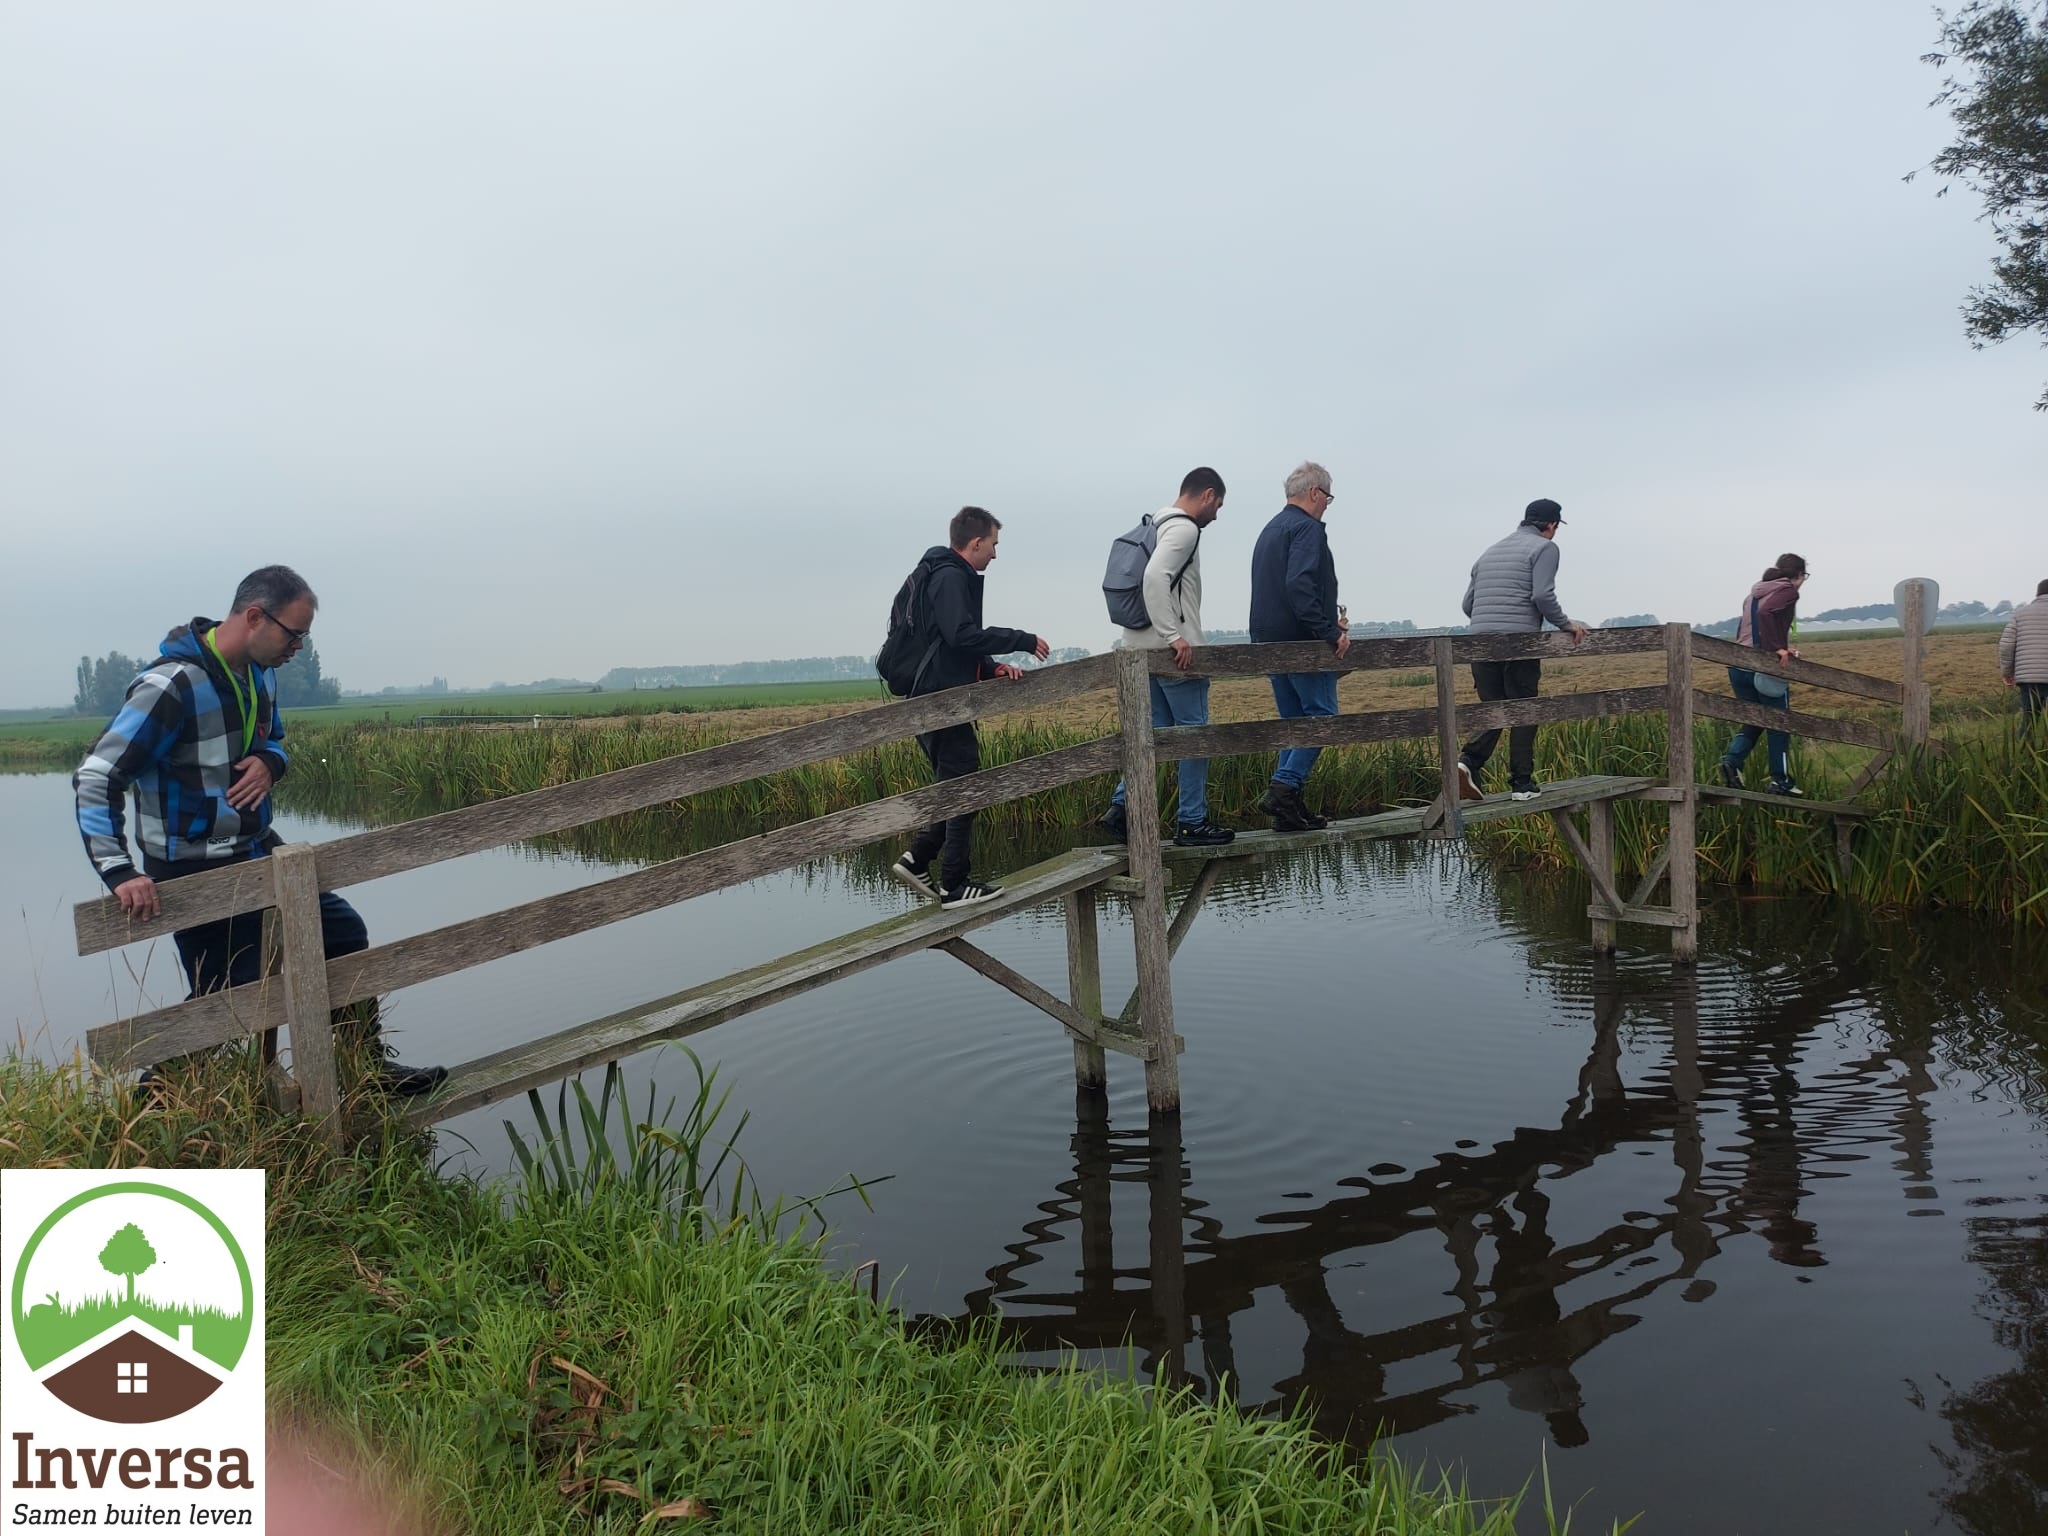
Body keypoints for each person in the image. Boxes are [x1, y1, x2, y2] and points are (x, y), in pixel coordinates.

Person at [73, 566, 445, 1094]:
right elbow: (97, 777)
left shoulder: (259, 673)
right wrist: (118, 871)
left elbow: (275, 738)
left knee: (342, 935)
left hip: (252, 849)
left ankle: (364, 1073)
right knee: (227, 988)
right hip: (189, 865)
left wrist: (273, 761)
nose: (299, 646)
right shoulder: (170, 688)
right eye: (294, 633)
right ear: (253, 616)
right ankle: (155, 1102)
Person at [887, 508, 1049, 907]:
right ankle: (954, 884)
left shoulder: (940, 574)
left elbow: (946, 641)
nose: (995, 554)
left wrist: (991, 667)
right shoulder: (950, 576)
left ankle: (919, 857)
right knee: (966, 780)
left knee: (956, 782)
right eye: (994, 544)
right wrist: (1021, 639)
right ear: (975, 542)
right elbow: (960, 635)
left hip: (933, 695)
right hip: (940, 699)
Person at [1098, 468, 1234, 848]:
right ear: (1207, 495)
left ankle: (1122, 807)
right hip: (1174, 654)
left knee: (1152, 735)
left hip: (1140, 650)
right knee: (1195, 735)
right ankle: (1192, 821)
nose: (1217, 515)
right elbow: (1155, 577)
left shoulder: (1153, 523)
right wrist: (1174, 635)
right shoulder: (1185, 529)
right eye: (1218, 505)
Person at [1456, 498, 1587, 802]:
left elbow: (1467, 605)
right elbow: (1542, 594)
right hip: (1518, 643)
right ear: (1552, 525)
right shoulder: (1545, 548)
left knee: (1495, 709)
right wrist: (1566, 624)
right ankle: (1522, 783)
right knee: (1525, 709)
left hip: (1480, 643)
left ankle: (1468, 762)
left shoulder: (1490, 551)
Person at [1248, 461, 1350, 831]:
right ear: (1314, 493)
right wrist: (1328, 630)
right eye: (1328, 497)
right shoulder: (1307, 528)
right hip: (1300, 640)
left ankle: (1288, 808)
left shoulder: (1271, 528)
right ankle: (1283, 789)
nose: (1327, 505)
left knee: (1294, 725)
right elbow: (1299, 584)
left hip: (1268, 637)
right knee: (1322, 716)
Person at [1716, 553, 1809, 796]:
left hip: (1738, 665)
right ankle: (1781, 781)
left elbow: (1749, 627)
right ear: (1799, 575)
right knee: (1779, 723)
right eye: (1804, 576)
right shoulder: (1789, 590)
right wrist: (1775, 648)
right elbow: (1766, 614)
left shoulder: (1753, 593)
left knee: (1756, 719)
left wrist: (1779, 643)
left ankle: (1732, 762)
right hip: (1761, 666)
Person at [1999, 577, 2048, 730]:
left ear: (2037, 594)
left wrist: (2007, 672)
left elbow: (2006, 645)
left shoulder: (2020, 614)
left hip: (2029, 677)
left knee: (2029, 720)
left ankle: (2026, 752)